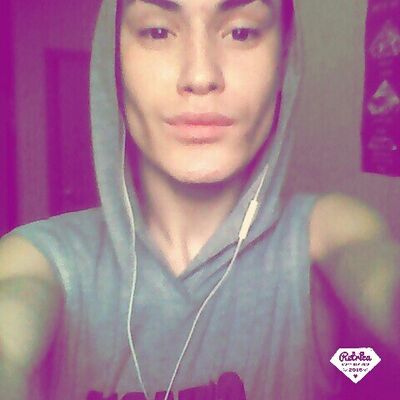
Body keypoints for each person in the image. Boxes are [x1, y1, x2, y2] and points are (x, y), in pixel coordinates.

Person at [0, 0, 399, 399]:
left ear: (283, 59)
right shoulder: (40, 260)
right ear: (115, 60)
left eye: (241, 32)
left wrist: (363, 367)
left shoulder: (327, 235)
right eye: (157, 31)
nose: (201, 76)